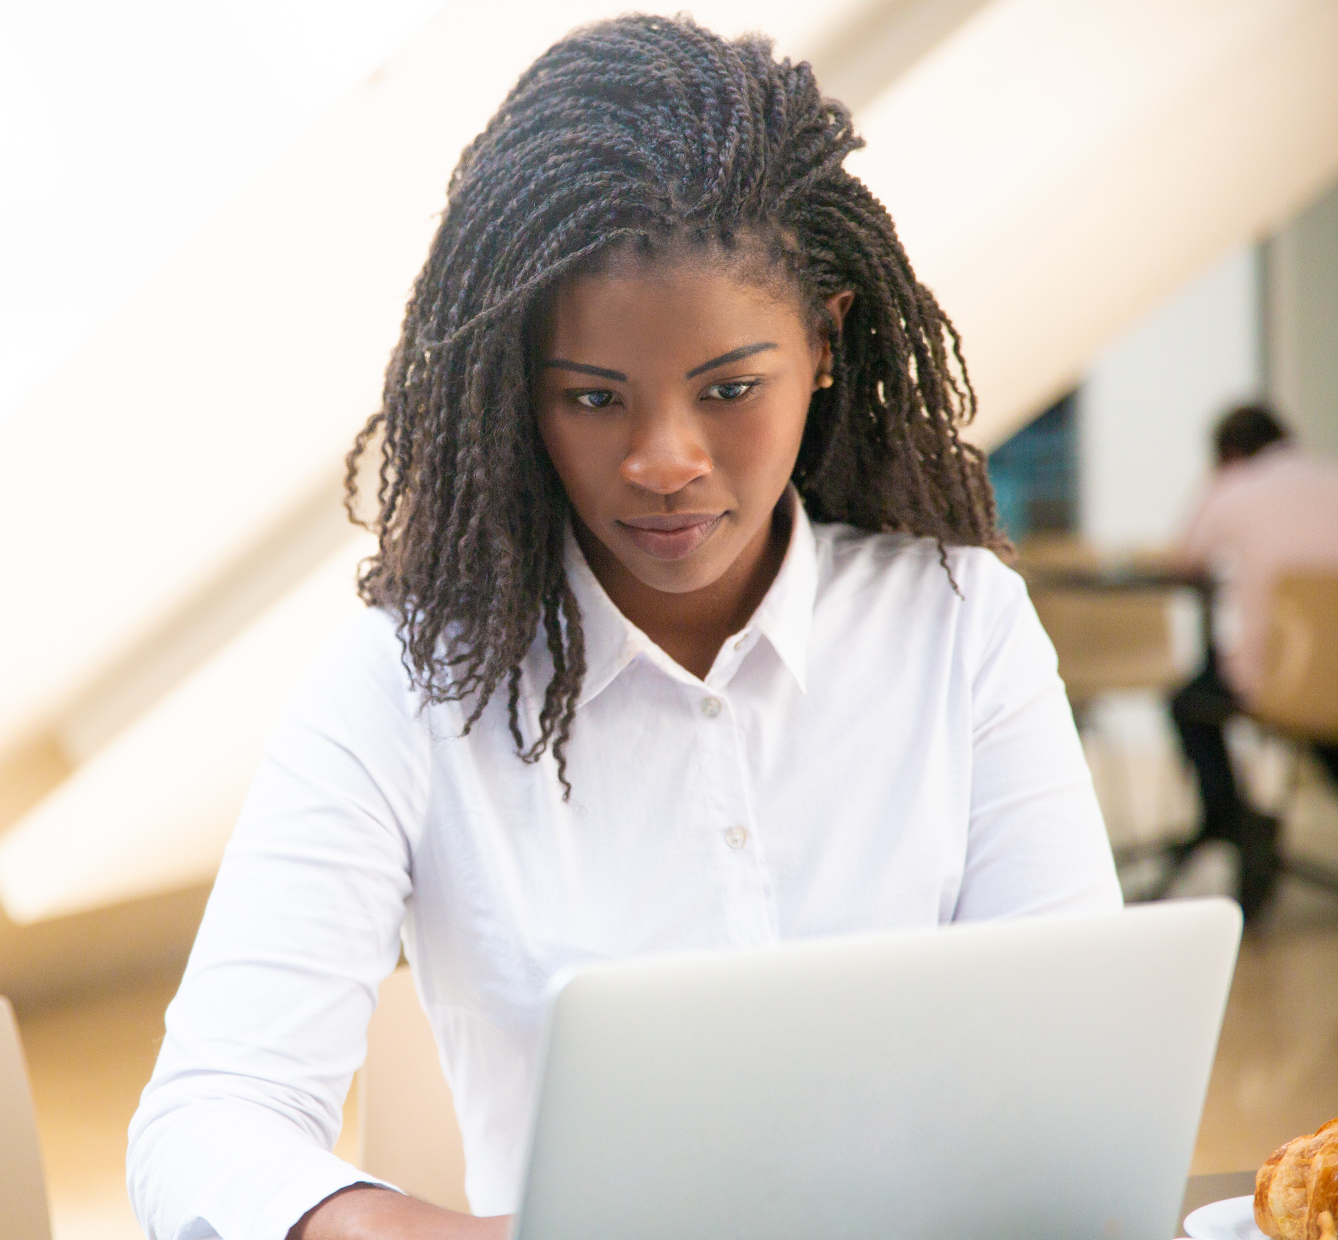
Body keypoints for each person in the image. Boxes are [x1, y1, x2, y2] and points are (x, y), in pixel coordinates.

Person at [127, 17, 1121, 1240]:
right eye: (594, 399)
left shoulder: (959, 626)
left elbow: (1081, 1081)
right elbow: (204, 1123)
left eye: (729, 389)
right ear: (517, 392)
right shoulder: (407, 685)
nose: (663, 460)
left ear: (823, 345)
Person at [1169, 403, 1338, 922]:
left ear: (1229, 455)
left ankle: (1233, 819)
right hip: (1330, 685)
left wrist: (1215, 484)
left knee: (1188, 703)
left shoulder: (1235, 488)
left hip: (1273, 681)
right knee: (1322, 723)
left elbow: (1181, 560)